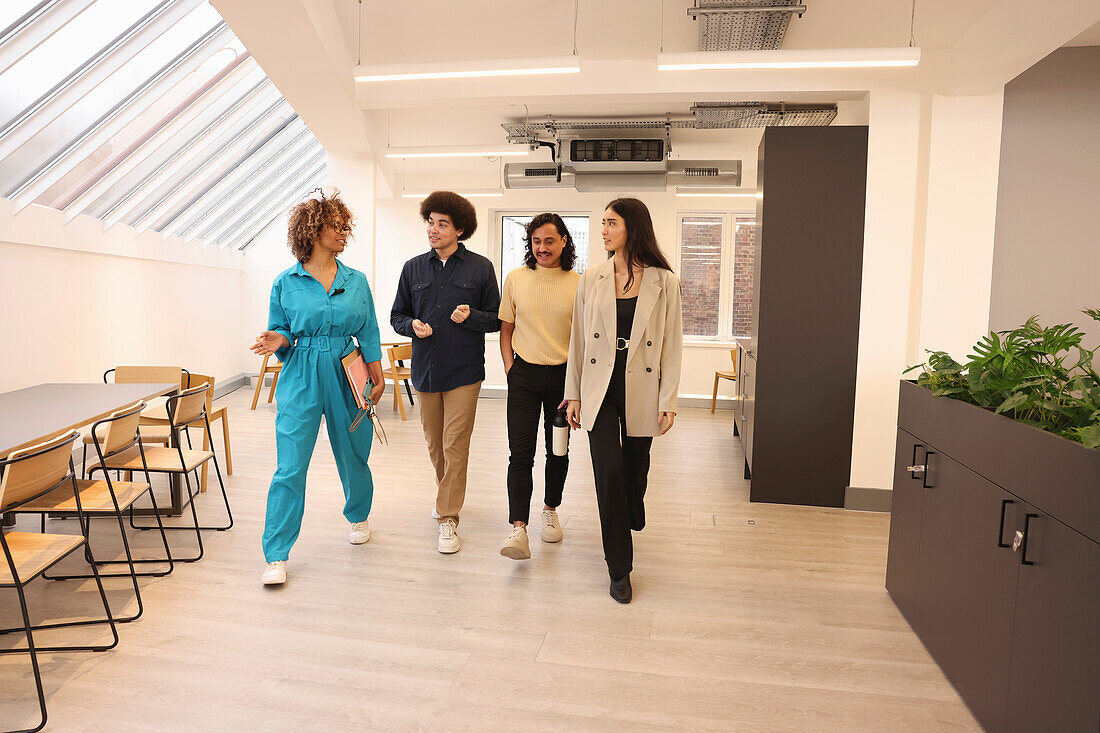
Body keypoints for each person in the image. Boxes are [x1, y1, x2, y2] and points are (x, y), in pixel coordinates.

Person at [251, 190, 385, 586]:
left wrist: (377, 378)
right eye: (336, 226)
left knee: (353, 451)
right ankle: (276, 554)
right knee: (290, 465)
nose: (344, 233)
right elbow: (281, 329)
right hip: (302, 374)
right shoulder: (285, 282)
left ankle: (358, 514)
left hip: (347, 367)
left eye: (346, 227)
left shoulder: (356, 281)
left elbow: (370, 331)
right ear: (312, 230)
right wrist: (280, 340)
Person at [562, 197, 683, 604]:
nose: (604, 230)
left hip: (642, 384)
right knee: (607, 475)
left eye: (611, 223)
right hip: (600, 385)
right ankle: (619, 569)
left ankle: (635, 499)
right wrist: (573, 393)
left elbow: (672, 345)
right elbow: (578, 339)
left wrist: (669, 398)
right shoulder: (591, 278)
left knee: (633, 470)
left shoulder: (664, 281)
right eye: (602, 223)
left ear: (632, 226)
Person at [390, 191, 501, 554]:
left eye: (442, 224)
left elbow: (496, 318)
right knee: (435, 446)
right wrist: (412, 327)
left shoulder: (480, 268)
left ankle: (448, 516)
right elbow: (397, 317)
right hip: (425, 370)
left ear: (460, 229)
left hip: (464, 372)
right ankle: (447, 497)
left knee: (455, 445)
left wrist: (472, 317)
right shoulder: (412, 268)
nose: (433, 229)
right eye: (430, 222)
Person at [498, 214, 582, 560]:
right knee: (520, 454)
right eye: (535, 241)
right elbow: (506, 330)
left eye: (549, 241)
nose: (542, 248)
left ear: (564, 241)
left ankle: (550, 510)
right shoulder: (516, 279)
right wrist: (510, 370)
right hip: (524, 377)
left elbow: (583, 340)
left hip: (564, 381)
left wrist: (577, 387)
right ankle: (518, 529)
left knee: (557, 450)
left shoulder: (579, 283)